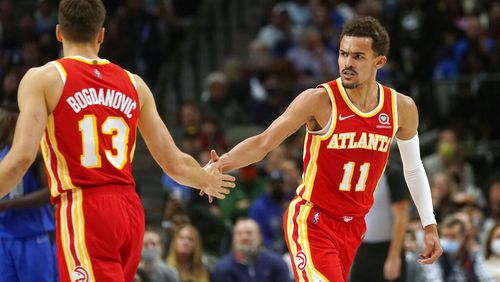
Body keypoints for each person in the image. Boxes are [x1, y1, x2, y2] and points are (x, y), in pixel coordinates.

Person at [0, 1, 235, 281]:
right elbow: (173, 162)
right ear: (101, 34)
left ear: (59, 32)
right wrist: (206, 180)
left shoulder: (43, 78)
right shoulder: (134, 83)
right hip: (129, 211)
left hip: (86, 207)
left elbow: (22, 157)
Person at [210, 16, 442, 281]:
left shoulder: (401, 108)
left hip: (354, 227)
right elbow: (264, 142)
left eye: (358, 56)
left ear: (379, 61)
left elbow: (413, 168)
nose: (347, 63)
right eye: (343, 54)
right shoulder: (319, 100)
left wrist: (429, 224)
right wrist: (220, 165)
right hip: (312, 220)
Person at [0, 106, 58, 282]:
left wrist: (9, 204)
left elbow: (51, 192)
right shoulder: (3, 152)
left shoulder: (35, 154)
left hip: (34, 234)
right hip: (4, 235)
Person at [349, 159, 410, 282]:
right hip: (362, 250)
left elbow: (401, 217)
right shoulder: (355, 172)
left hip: (387, 250)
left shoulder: (393, 173)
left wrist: (394, 255)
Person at [213, 218, 291, 282]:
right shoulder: (223, 268)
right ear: (233, 239)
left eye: (249, 233)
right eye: (239, 233)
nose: (244, 237)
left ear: (260, 237)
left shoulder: (276, 264)